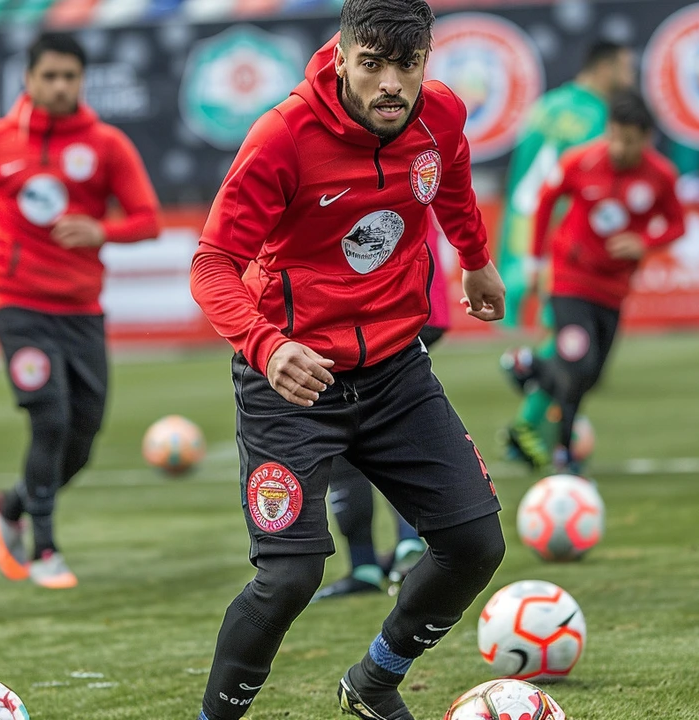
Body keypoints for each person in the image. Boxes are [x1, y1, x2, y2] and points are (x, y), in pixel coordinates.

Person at [188, 2, 507, 717]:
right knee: (289, 578)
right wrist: (267, 346)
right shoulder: (282, 137)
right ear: (340, 58)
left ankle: (373, 682)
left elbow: (449, 176)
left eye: (408, 65)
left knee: (474, 544)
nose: (391, 84)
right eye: (373, 65)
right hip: (294, 382)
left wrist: (476, 261)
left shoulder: (442, 115)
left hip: (397, 369)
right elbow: (212, 265)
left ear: (428, 59)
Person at [0, 32, 160, 590]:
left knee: (82, 439)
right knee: (50, 418)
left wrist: (100, 229)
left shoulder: (106, 145)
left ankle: (11, 507)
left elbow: (147, 219)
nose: (60, 86)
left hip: (82, 310)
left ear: (81, 81)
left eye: (70, 77)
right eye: (51, 76)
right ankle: (45, 550)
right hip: (18, 306)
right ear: (29, 78)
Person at [509, 91, 685, 473]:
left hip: (613, 288)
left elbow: (677, 224)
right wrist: (535, 263)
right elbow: (543, 203)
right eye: (615, 136)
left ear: (646, 138)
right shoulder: (581, 160)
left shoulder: (661, 175)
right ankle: (565, 454)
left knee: (591, 374)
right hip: (570, 280)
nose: (620, 147)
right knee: (577, 361)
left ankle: (530, 367)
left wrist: (645, 243)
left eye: (630, 140)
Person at [315, 210, 449, 601]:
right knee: (370, 433)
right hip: (404, 303)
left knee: (356, 436)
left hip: (389, 307)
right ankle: (387, 557)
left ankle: (385, 558)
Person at [498, 40, 635, 330]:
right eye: (626, 68)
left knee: (512, 297)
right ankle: (554, 368)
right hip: (563, 218)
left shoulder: (545, 105)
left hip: (522, 212)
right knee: (562, 305)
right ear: (605, 67)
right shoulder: (599, 115)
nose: (631, 77)